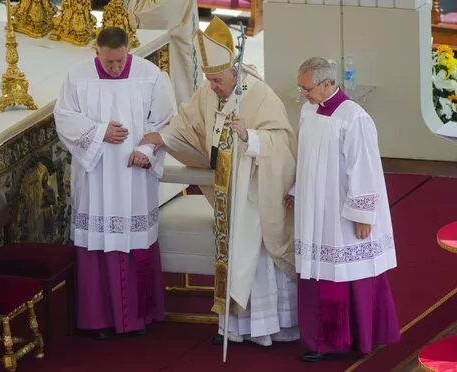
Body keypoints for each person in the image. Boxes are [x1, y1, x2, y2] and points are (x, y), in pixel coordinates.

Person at [140, 16, 299, 346]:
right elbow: (186, 124)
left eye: (217, 80)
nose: (212, 86)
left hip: (254, 193)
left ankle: (267, 327)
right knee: (231, 255)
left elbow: (281, 141)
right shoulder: (208, 92)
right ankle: (235, 327)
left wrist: (251, 137)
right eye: (209, 79)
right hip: (226, 192)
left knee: (251, 259)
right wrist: (163, 137)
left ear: (234, 71)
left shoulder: (258, 94)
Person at [54, 27, 174, 340]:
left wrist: (146, 150)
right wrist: (99, 133)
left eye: (120, 60)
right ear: (97, 51)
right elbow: (64, 118)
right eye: (108, 62)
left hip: (134, 177)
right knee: (97, 240)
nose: (115, 68)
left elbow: (165, 122)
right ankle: (98, 320)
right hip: (96, 177)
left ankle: (138, 316)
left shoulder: (150, 76)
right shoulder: (77, 76)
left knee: (133, 238)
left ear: (128, 49)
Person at [287, 57, 400, 361]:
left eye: (306, 88)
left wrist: (363, 214)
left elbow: (364, 169)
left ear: (326, 84)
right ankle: (319, 338)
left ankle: (346, 338)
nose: (303, 94)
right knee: (318, 270)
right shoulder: (308, 110)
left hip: (341, 212)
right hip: (314, 209)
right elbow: (305, 157)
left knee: (344, 271)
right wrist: (297, 189)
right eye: (301, 87)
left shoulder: (354, 118)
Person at [127, 0, 202, 105]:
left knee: (176, 101)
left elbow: (160, 16)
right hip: (157, 46)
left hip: (173, 49)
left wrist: (131, 6)